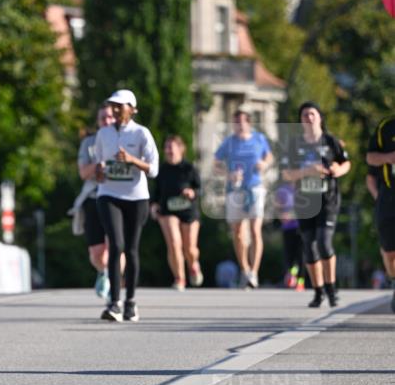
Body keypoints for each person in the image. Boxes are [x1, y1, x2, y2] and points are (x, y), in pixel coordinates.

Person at [94, 89, 158, 322]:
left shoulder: (141, 133)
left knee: (130, 249)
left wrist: (131, 160)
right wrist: (99, 172)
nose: (116, 110)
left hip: (136, 197)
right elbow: (98, 166)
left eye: (120, 106)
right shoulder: (103, 134)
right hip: (109, 195)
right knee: (116, 245)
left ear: (132, 109)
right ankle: (114, 303)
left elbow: (154, 169)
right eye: (114, 106)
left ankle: (130, 301)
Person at [281, 101, 350, 308]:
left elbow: (346, 163)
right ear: (300, 120)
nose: (309, 118)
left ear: (320, 117)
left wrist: (338, 170)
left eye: (312, 114)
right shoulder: (294, 145)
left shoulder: (330, 141)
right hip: (304, 201)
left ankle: (331, 289)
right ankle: (318, 291)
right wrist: (307, 171)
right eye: (304, 115)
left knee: (324, 243)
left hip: (327, 199)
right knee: (309, 247)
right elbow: (286, 174)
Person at [213, 106, 273, 289]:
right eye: (235, 122)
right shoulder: (229, 142)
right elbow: (216, 164)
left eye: (241, 121)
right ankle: (245, 269)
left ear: (249, 123)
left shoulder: (259, 139)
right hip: (235, 189)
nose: (238, 125)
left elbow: (269, 157)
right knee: (238, 233)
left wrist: (264, 164)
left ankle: (254, 272)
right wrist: (228, 174)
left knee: (255, 229)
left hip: (255, 187)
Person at [73, 103, 115, 300]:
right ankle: (103, 271)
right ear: (98, 122)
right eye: (102, 118)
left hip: (117, 197)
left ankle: (115, 284)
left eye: (109, 117)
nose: (106, 121)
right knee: (97, 253)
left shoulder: (123, 139)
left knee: (115, 245)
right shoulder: (89, 143)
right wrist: (99, 164)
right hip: (94, 198)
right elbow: (83, 173)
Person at [151, 135, 203, 290]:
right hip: (167, 210)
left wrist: (192, 193)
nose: (168, 150)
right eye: (166, 147)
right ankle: (179, 278)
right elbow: (156, 191)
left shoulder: (189, 168)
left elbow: (200, 189)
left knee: (190, 249)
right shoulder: (161, 170)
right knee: (174, 244)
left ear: (181, 149)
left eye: (171, 147)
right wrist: (153, 205)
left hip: (188, 211)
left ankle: (193, 264)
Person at [366, 113, 395, 313]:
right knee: (389, 251)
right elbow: (370, 157)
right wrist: (388, 157)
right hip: (389, 197)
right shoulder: (385, 126)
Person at [274, 182, 305, 291]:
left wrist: (292, 215)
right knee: (289, 255)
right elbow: (277, 206)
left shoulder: (303, 189)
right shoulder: (282, 190)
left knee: (301, 255)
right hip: (288, 228)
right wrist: (281, 216)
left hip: (302, 227)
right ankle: (290, 277)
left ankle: (300, 282)